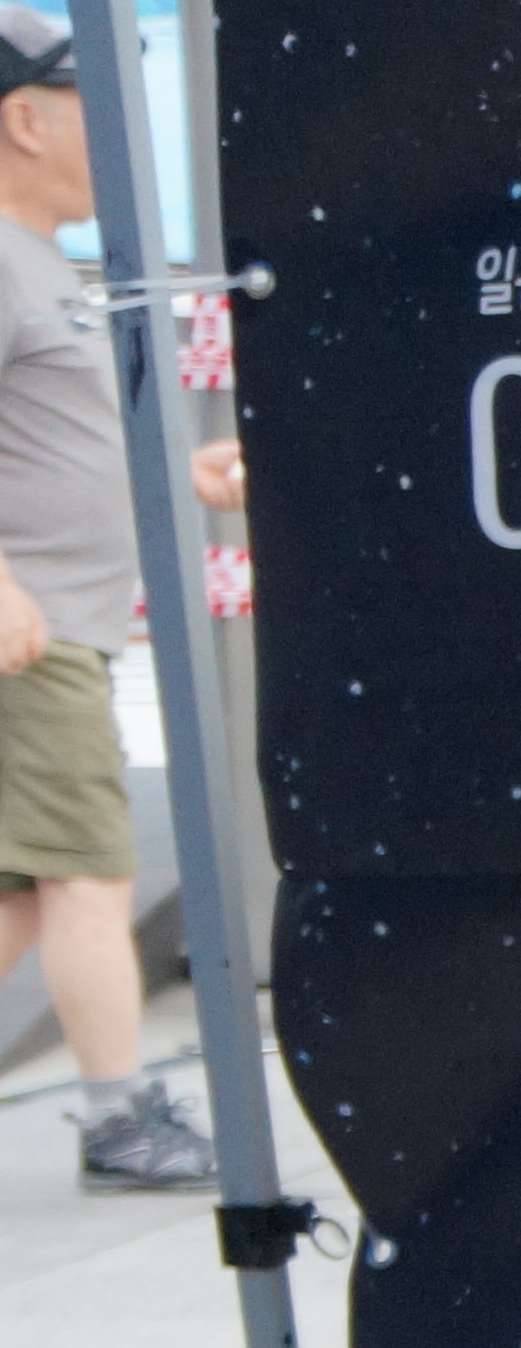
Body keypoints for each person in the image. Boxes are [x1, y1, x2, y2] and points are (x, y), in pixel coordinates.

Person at [0, 3, 241, 1191]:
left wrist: (191, 477)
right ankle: (118, 1121)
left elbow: (65, 441)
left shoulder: (44, 264)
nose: (120, 143)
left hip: (56, 628)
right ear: (24, 121)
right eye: (97, 108)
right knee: (89, 873)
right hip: (29, 633)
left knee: (23, 894)